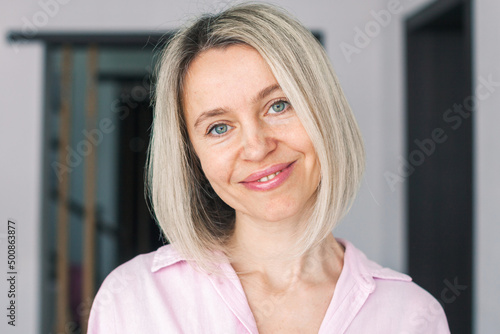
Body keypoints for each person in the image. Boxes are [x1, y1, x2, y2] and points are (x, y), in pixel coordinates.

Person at [88, 3, 450, 333]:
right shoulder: (134, 298)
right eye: (219, 127)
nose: (257, 147)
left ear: (324, 110)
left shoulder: (410, 316)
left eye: (278, 105)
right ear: (192, 157)